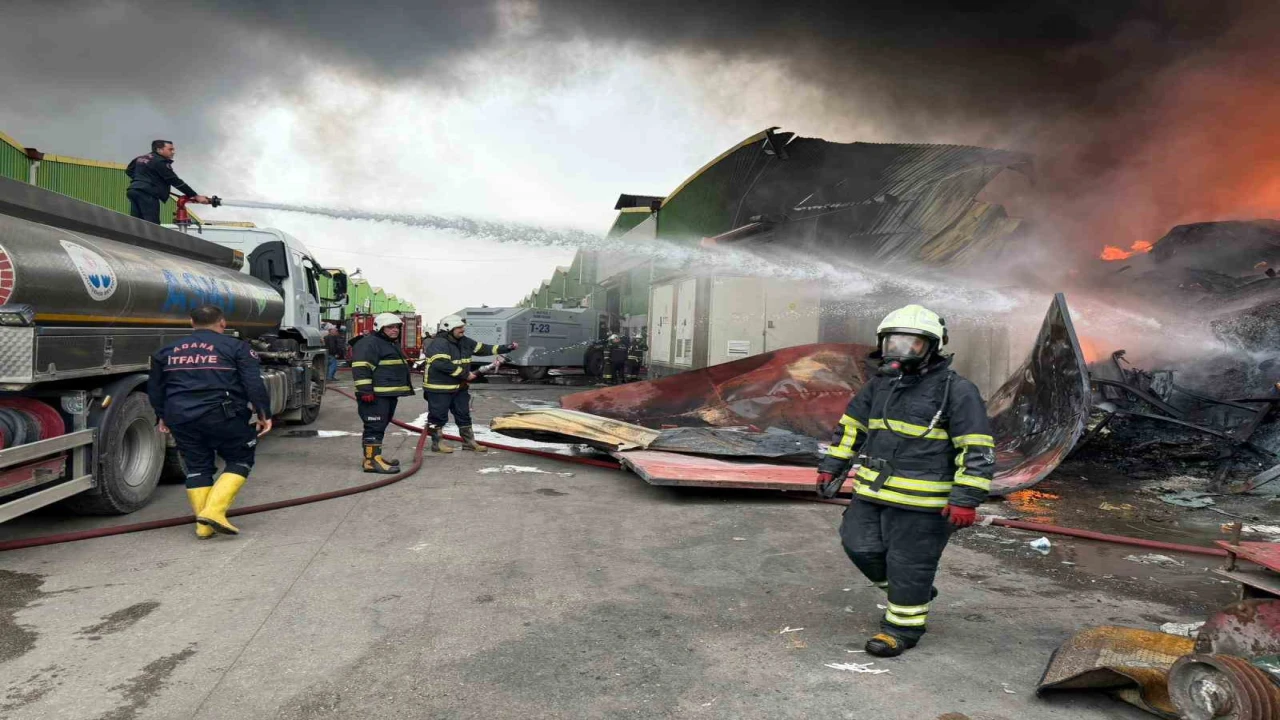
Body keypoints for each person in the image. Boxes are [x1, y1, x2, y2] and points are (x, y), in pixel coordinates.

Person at [815, 304, 994, 658]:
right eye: (894, 343)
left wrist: (966, 497)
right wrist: (832, 464)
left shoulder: (956, 391)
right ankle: (914, 592)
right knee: (858, 544)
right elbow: (852, 427)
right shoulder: (879, 385)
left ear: (932, 347)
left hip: (923, 503)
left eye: (911, 344)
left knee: (909, 565)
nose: (901, 351)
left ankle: (901, 629)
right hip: (872, 491)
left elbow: (976, 447)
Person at [147, 304, 272, 538]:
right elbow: (253, 384)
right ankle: (214, 512)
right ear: (222, 323)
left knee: (197, 467)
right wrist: (264, 414)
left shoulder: (166, 351)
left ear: (191, 323)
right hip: (224, 415)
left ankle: (203, 527)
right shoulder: (237, 347)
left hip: (180, 417)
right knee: (240, 459)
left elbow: (155, 388)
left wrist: (162, 415)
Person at [422, 314, 518, 453]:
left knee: (463, 414)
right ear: (448, 328)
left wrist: (506, 348)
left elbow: (484, 348)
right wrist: (465, 374)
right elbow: (441, 364)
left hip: (460, 387)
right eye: (459, 327)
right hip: (439, 388)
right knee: (437, 416)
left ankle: (469, 442)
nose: (463, 330)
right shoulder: (439, 343)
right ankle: (437, 443)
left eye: (463, 327)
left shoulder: (464, 341)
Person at [351, 313, 414, 474]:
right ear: (380, 327)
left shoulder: (388, 343)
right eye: (390, 327)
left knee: (380, 426)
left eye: (397, 327)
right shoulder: (370, 343)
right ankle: (371, 462)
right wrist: (365, 390)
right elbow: (361, 366)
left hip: (387, 394)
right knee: (374, 427)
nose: (395, 330)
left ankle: (374, 457)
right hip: (375, 395)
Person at [125, 140, 211, 224]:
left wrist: (141, 180)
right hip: (147, 193)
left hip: (133, 190)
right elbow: (175, 181)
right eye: (170, 149)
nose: (173, 152)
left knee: (137, 223)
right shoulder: (160, 161)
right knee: (152, 224)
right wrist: (195, 196)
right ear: (159, 150)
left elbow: (129, 171)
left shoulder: (140, 158)